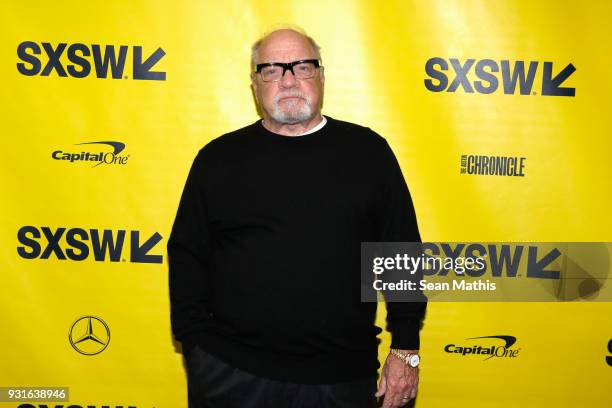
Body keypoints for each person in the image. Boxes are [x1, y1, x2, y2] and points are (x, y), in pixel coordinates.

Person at [168, 27, 426, 408]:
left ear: (321, 77)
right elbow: (188, 254)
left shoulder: (368, 153)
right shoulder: (218, 159)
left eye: (302, 67)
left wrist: (405, 348)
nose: (288, 80)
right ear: (255, 85)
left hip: (340, 378)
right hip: (230, 375)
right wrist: (198, 347)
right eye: (271, 70)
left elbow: (400, 251)